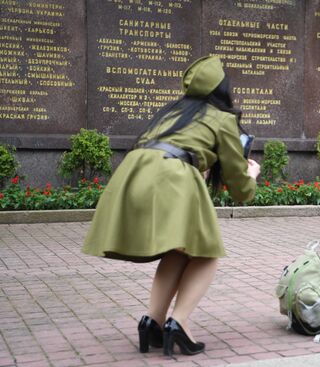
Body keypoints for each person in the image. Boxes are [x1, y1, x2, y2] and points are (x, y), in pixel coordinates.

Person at [82, 56, 260, 356]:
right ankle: (179, 323)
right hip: (172, 176)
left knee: (179, 250)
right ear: (222, 90)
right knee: (207, 254)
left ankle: (152, 321)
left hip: (134, 172)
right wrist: (251, 174)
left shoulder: (172, 114)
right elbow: (240, 188)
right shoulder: (222, 118)